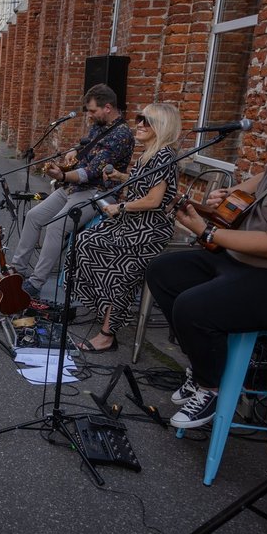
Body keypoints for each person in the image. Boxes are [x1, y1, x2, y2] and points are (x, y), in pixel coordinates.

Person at [146, 78, 267, 429]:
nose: (266, 120)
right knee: (163, 272)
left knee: (193, 307)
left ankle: (211, 386)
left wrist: (208, 231)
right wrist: (224, 196)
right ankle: (202, 369)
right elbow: (255, 186)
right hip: (241, 263)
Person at [71, 103, 181, 352]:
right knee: (85, 242)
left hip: (149, 227)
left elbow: (154, 201)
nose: (139, 124)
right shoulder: (149, 154)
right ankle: (105, 308)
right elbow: (146, 185)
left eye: (147, 121)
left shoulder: (164, 155)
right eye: (139, 119)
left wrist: (119, 208)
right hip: (134, 222)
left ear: (162, 127)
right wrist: (123, 178)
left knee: (119, 266)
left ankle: (107, 332)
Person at [10, 84, 135, 298]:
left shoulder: (121, 135)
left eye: (93, 111)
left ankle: (35, 283)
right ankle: (16, 271)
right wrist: (73, 151)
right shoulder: (100, 125)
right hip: (74, 187)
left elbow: (90, 172)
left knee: (57, 227)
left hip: (97, 192)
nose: (90, 116)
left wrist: (62, 175)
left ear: (107, 107)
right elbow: (85, 143)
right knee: (33, 216)